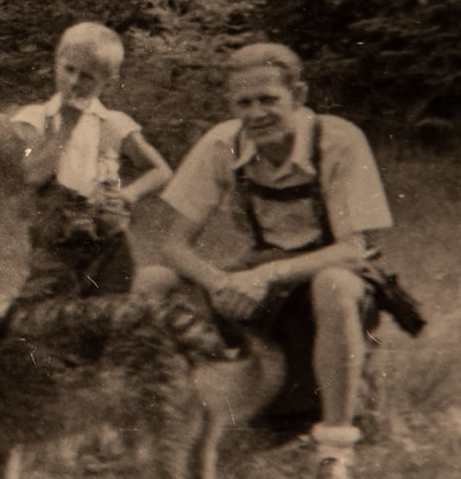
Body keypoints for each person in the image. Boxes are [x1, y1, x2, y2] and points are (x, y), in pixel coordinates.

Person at [145, 43, 394, 479]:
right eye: (244, 102)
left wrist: (264, 275)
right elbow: (175, 246)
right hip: (259, 277)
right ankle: (156, 430)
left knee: (333, 283)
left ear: (298, 96)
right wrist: (220, 283)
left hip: (336, 275)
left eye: (268, 100)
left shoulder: (338, 140)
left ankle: (335, 448)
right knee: (154, 281)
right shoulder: (222, 144)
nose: (256, 113)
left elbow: (355, 249)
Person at [8, 22, 173, 303]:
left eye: (87, 76)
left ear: (108, 80)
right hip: (56, 241)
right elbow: (34, 174)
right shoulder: (37, 118)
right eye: (69, 69)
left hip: (109, 239)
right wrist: (66, 127)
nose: (74, 82)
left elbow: (161, 170)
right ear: (56, 62)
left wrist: (128, 195)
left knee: (109, 310)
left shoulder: (114, 123)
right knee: (42, 310)